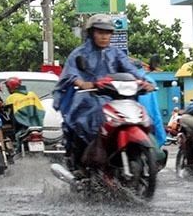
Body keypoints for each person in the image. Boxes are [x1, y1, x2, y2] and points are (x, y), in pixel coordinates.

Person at [53, 13, 152, 170]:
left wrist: (144, 82)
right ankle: (81, 164)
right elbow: (71, 73)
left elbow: (130, 68)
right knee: (85, 122)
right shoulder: (79, 53)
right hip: (88, 97)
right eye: (100, 32)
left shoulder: (115, 53)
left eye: (107, 33)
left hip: (114, 97)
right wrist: (82, 83)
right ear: (92, 33)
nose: (104, 36)